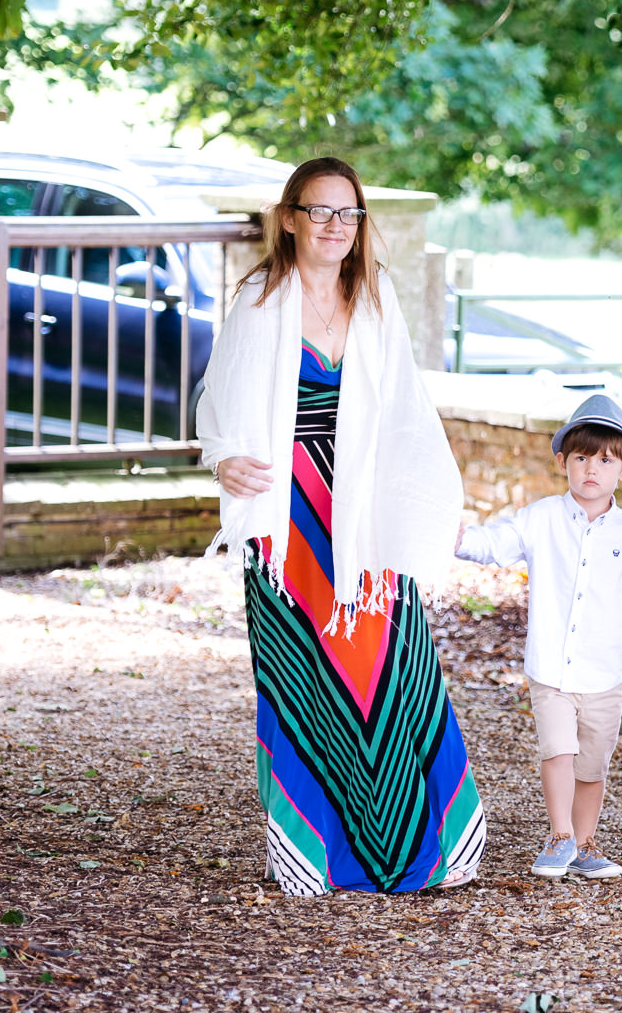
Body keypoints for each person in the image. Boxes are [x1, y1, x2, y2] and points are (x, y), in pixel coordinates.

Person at [195, 156, 484, 894]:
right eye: (319, 211)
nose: (334, 225)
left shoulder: (377, 293)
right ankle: (314, 851)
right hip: (287, 517)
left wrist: (426, 506)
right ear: (289, 218)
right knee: (303, 676)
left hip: (366, 513)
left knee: (394, 666)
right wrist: (226, 457)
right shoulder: (261, 297)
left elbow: (406, 409)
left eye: (347, 213)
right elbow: (218, 399)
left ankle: (424, 847)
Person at [454, 393, 622, 881]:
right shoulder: (541, 518)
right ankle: (560, 834)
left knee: (592, 766)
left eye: (605, 460)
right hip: (552, 668)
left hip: (605, 674)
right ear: (563, 461)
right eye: (581, 458)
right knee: (557, 750)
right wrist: (457, 538)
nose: (592, 470)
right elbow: (498, 542)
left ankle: (585, 844)